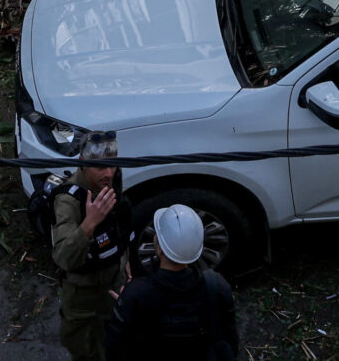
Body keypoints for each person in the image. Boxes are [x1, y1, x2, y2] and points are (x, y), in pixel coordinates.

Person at [103, 204, 238, 361]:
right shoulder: (217, 286)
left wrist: (125, 303)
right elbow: (230, 340)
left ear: (159, 249)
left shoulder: (135, 294)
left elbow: (115, 348)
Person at [50, 139, 136, 360]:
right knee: (87, 353)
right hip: (85, 302)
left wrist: (123, 257)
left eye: (112, 165)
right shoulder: (67, 200)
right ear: (83, 163)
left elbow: (119, 222)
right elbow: (63, 258)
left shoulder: (112, 180)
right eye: (100, 167)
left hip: (115, 288)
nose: (108, 173)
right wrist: (90, 223)